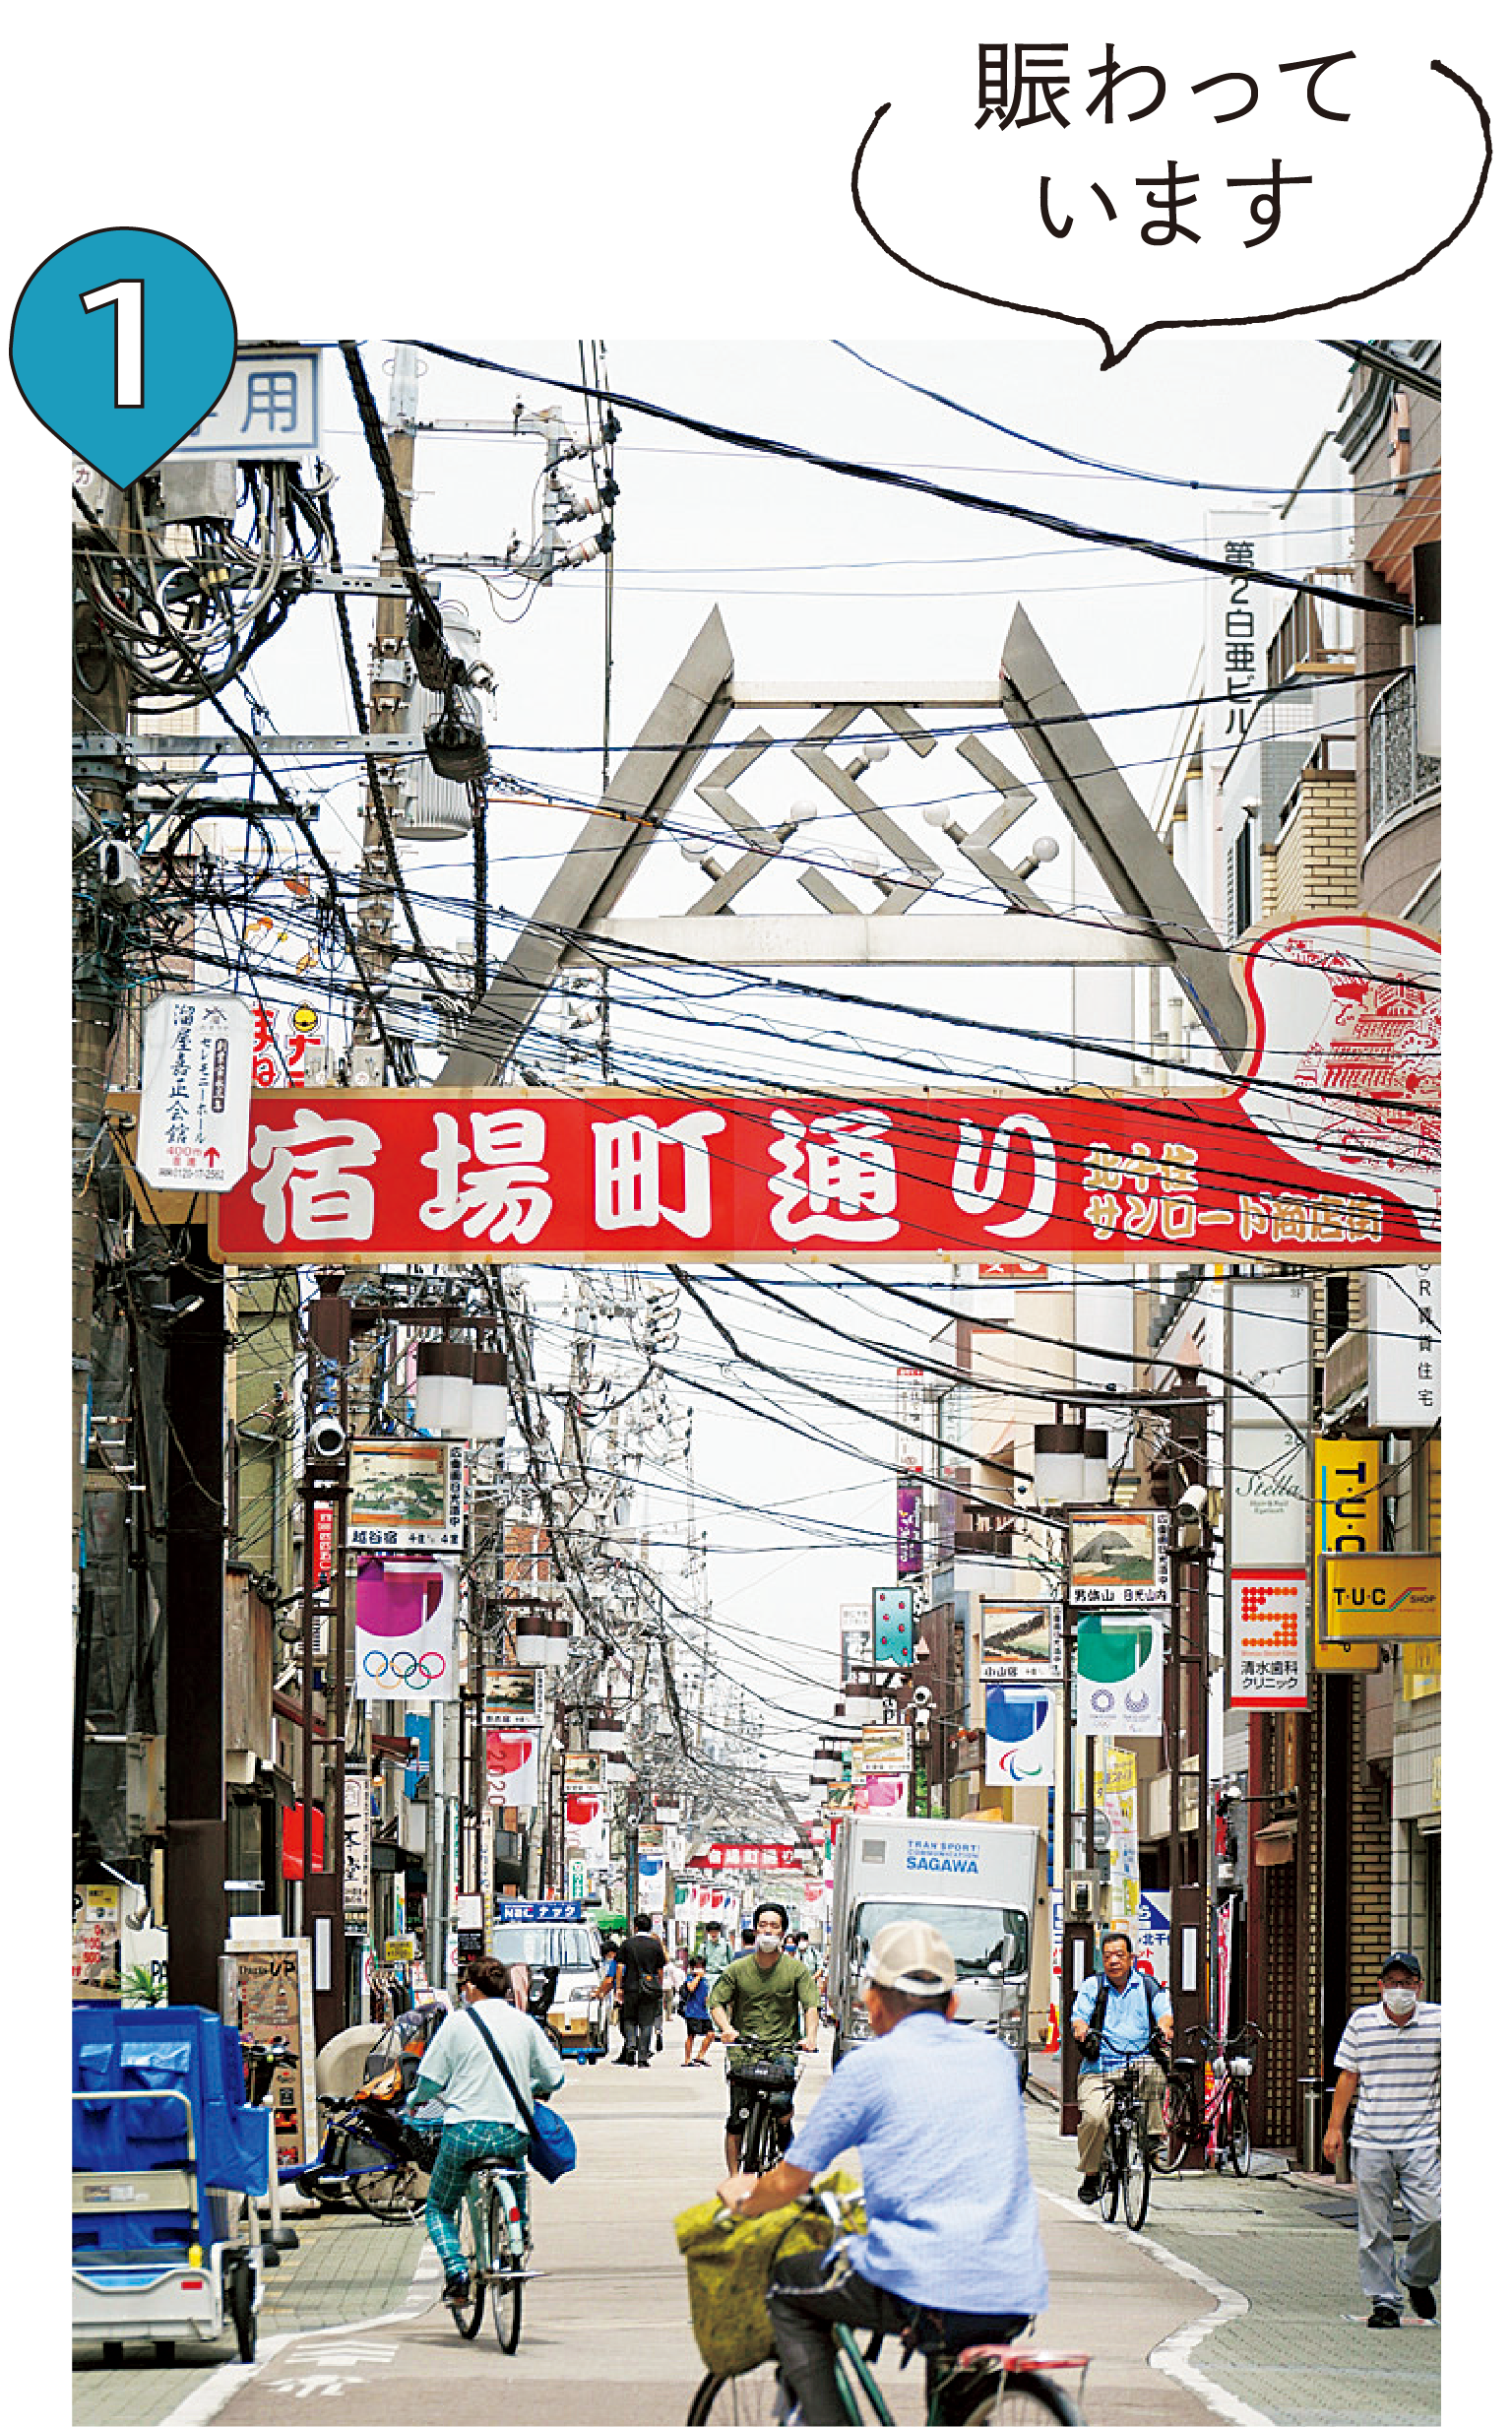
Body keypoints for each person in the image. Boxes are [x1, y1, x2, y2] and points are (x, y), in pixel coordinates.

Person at [716, 1920, 1047, 2427]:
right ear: (952, 2005)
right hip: (1014, 2281)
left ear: (873, 2003)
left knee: (787, 2287)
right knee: (956, 2388)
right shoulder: (996, 2059)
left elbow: (790, 2180)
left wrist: (745, 2193)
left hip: (921, 2276)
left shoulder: (870, 2067)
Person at [405, 1954, 564, 2310]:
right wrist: (527, 2084)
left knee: (440, 2208)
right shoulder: (524, 2024)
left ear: (473, 1988)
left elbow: (430, 2082)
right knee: (515, 2177)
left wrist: (414, 2100)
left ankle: (458, 2273)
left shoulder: (457, 2024)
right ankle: (515, 2241)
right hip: (512, 2131)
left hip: (464, 2132)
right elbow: (555, 2077)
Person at [1323, 1949, 1441, 2327]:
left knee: (1435, 2217)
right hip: (1372, 2137)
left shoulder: (1442, 2022)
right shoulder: (1362, 2022)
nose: (1399, 1990)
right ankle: (1384, 2301)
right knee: (1375, 2227)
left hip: (1422, 2139)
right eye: (1392, 1983)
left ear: (1419, 1987)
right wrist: (1334, 2127)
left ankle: (1416, 2276)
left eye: (1406, 1983)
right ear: (1380, 1986)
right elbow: (1348, 2077)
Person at [709, 1899, 822, 2173]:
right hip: (744, 2049)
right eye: (763, 1925)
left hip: (782, 2049)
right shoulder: (737, 1969)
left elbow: (810, 2006)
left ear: (783, 1932)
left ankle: (787, 2150)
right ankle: (735, 2178)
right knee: (738, 2117)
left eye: (774, 1926)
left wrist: (810, 2038)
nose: (768, 1931)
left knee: (780, 2103)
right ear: (755, 1929)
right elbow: (716, 2003)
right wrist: (726, 2028)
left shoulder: (796, 1971)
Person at [1070, 1928, 1173, 2203]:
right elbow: (1079, 2015)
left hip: (1138, 2062)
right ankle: (1092, 2174)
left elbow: (1164, 2013)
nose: (1113, 1961)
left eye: (1119, 1955)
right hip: (1099, 2067)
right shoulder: (1093, 1986)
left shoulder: (1148, 1986)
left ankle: (1152, 2136)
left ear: (1131, 1958)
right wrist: (1080, 2028)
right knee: (1093, 2118)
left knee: (1153, 2071)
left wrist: (1164, 2028)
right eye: (1107, 1957)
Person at [617, 1911, 667, 2068]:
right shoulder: (655, 1945)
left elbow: (620, 1967)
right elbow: (660, 1969)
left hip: (631, 1987)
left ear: (635, 1927)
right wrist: (658, 1985)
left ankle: (631, 2044)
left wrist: (619, 1987)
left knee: (628, 2018)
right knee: (647, 2023)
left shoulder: (627, 1944)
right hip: (650, 1989)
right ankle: (643, 2057)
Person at [679, 1955, 715, 2066]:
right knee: (691, 2035)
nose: (700, 1969)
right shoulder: (691, 1978)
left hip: (703, 2012)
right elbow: (691, 1988)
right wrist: (698, 1977)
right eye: (697, 1966)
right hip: (692, 2012)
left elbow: (705, 1995)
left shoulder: (705, 1980)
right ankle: (687, 2059)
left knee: (711, 2034)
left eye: (701, 1967)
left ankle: (700, 2056)